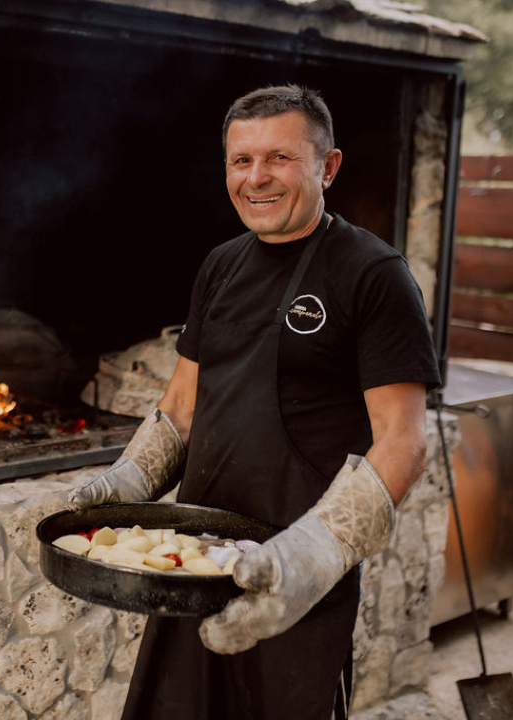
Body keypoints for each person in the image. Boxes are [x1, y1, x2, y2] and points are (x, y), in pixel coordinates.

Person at [68, 84, 442, 719]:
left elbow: (404, 440)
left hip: (295, 582)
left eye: (279, 158)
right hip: (192, 559)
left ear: (328, 166)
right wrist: (127, 478)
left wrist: (306, 559)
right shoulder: (220, 266)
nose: (256, 178)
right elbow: (181, 404)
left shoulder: (373, 276)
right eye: (241, 161)